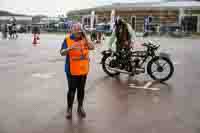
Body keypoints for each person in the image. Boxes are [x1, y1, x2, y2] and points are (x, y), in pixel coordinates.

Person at [60, 23, 94, 119]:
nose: (78, 32)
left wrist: (86, 36)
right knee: (71, 90)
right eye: (76, 30)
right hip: (71, 70)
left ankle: (80, 107)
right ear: (72, 30)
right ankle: (69, 109)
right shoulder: (67, 39)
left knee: (81, 89)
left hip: (83, 69)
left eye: (80, 30)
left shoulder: (85, 39)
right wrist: (69, 48)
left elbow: (92, 47)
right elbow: (61, 53)